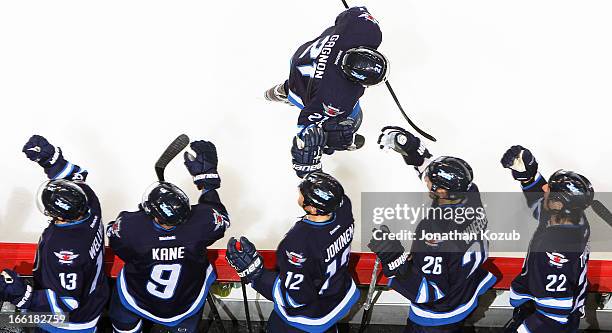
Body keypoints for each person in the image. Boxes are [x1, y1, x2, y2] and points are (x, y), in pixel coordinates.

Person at [368, 127, 496, 332]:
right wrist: (415, 153)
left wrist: (393, 260)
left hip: (440, 315)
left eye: (431, 180)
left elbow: (429, 292)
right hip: (465, 291)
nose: (425, 178)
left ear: (442, 191)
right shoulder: (471, 193)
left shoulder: (432, 231)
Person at [106, 140, 230, 333]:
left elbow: (114, 237)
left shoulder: (131, 226)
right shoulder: (201, 223)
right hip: (185, 304)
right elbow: (221, 217)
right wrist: (208, 182)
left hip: (137, 298)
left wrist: (144, 214)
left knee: (123, 321)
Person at [226, 171, 359, 333]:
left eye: (302, 193)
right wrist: (313, 168)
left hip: (309, 317)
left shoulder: (298, 243)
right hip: (337, 297)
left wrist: (256, 274)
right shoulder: (343, 209)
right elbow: (333, 195)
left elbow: (295, 298)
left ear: (312, 208)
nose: (299, 192)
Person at [0, 135, 109, 333]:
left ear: (59, 216)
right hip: (93, 299)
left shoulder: (62, 252)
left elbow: (67, 303)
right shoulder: (89, 201)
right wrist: (51, 160)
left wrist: (20, 294)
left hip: (69, 323)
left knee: (9, 321)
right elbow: (75, 176)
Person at [264, 6, 389, 177]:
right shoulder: (337, 97)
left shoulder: (364, 30)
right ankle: (290, 92)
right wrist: (326, 141)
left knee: (312, 90)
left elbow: (351, 13)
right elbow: (306, 126)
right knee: (347, 121)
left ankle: (286, 89)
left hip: (302, 57)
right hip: (308, 82)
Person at [500, 145, 592, 333]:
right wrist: (528, 176)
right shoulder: (572, 218)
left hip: (548, 320)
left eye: (549, 189)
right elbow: (541, 205)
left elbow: (554, 315)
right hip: (542, 304)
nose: (544, 188)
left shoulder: (555, 250)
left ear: (558, 204)